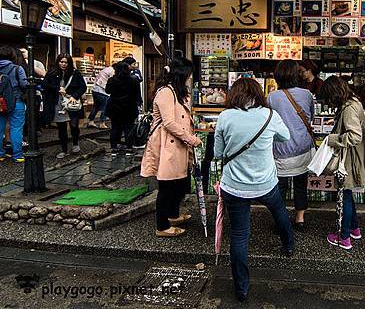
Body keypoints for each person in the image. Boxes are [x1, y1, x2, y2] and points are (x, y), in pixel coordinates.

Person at [214, 78, 293, 303]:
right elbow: (285, 137)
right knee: (279, 211)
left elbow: (219, 153)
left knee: (239, 236)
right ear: (259, 93)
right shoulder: (270, 115)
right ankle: (288, 246)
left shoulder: (225, 117)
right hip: (265, 183)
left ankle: (242, 289)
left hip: (234, 186)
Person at [141, 57, 203, 237]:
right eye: (189, 74)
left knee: (178, 183)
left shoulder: (177, 91)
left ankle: (173, 215)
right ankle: (162, 226)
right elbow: (169, 122)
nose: (190, 77)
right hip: (166, 144)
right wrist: (191, 139)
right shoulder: (166, 92)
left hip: (176, 144)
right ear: (182, 74)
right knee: (167, 186)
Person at [320, 76, 365, 250]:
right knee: (348, 194)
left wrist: (334, 138)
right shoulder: (354, 102)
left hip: (348, 159)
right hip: (353, 156)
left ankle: (344, 237)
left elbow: (355, 135)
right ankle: (354, 228)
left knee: (345, 196)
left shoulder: (348, 109)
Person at [268, 60, 315, 230]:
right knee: (301, 184)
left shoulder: (272, 96)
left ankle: (280, 220)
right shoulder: (307, 94)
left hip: (281, 149)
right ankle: (300, 218)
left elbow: (270, 120)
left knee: (280, 186)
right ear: (297, 75)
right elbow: (310, 118)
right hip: (303, 147)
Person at [42, 54, 86, 159]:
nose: (63, 64)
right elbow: (45, 85)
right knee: (61, 127)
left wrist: (74, 96)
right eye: (61, 62)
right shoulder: (52, 72)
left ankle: (75, 143)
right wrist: (57, 88)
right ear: (58, 62)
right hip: (58, 103)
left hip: (72, 102)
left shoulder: (75, 73)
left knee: (74, 125)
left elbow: (82, 86)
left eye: (66, 62)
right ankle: (64, 149)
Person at [105, 61, 142, 155]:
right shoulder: (134, 80)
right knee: (129, 127)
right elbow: (137, 93)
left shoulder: (112, 80)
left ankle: (114, 147)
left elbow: (108, 91)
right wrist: (139, 102)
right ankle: (129, 148)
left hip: (115, 107)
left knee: (115, 127)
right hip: (130, 106)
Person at [0, 46, 28, 162]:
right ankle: (18, 155)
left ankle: (1, 154)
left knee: (0, 128)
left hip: (0, 103)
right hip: (16, 101)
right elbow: (24, 84)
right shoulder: (17, 69)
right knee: (16, 128)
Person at [87, 64, 114, 129]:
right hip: (102, 91)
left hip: (95, 90)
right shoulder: (112, 71)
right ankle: (102, 123)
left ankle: (91, 121)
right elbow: (111, 81)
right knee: (106, 106)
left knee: (96, 106)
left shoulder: (105, 69)